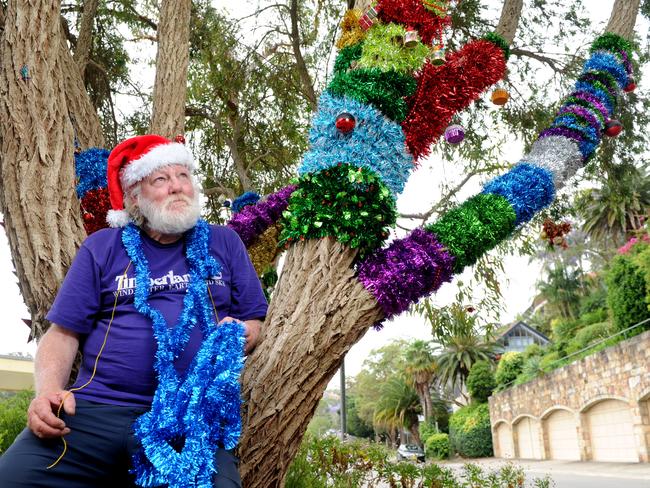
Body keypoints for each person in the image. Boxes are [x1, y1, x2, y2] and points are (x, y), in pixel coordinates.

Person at [0, 134, 268, 487]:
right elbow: (63, 334)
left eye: (183, 176)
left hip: (190, 416)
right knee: (13, 478)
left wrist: (239, 334)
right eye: (161, 179)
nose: (177, 187)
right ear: (135, 197)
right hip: (96, 411)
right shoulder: (103, 247)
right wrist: (47, 392)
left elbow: (255, 319)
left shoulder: (224, 242)